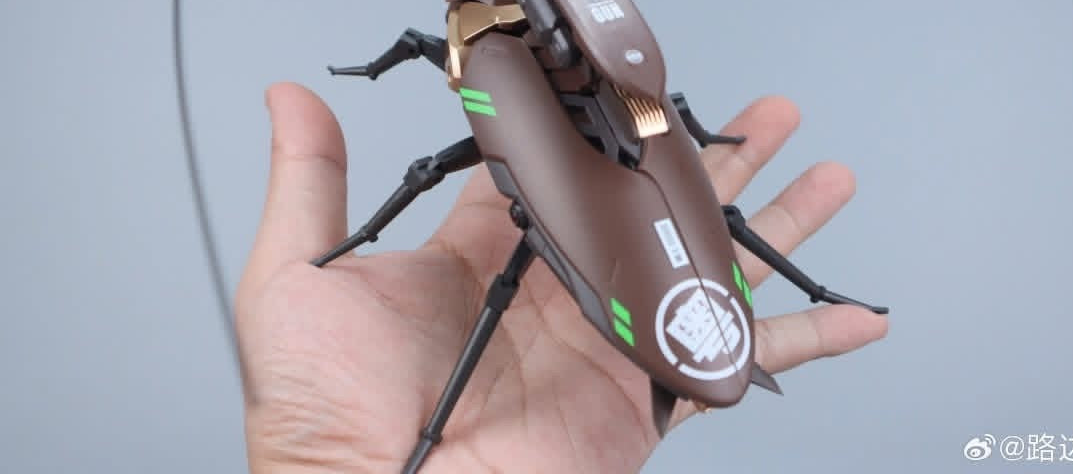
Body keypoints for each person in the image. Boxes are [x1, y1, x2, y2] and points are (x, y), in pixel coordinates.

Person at [237, 82, 888, 473]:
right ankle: (811, 295)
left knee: (721, 218)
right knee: (512, 274)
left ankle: (813, 294)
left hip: (610, 209)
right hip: (582, 207)